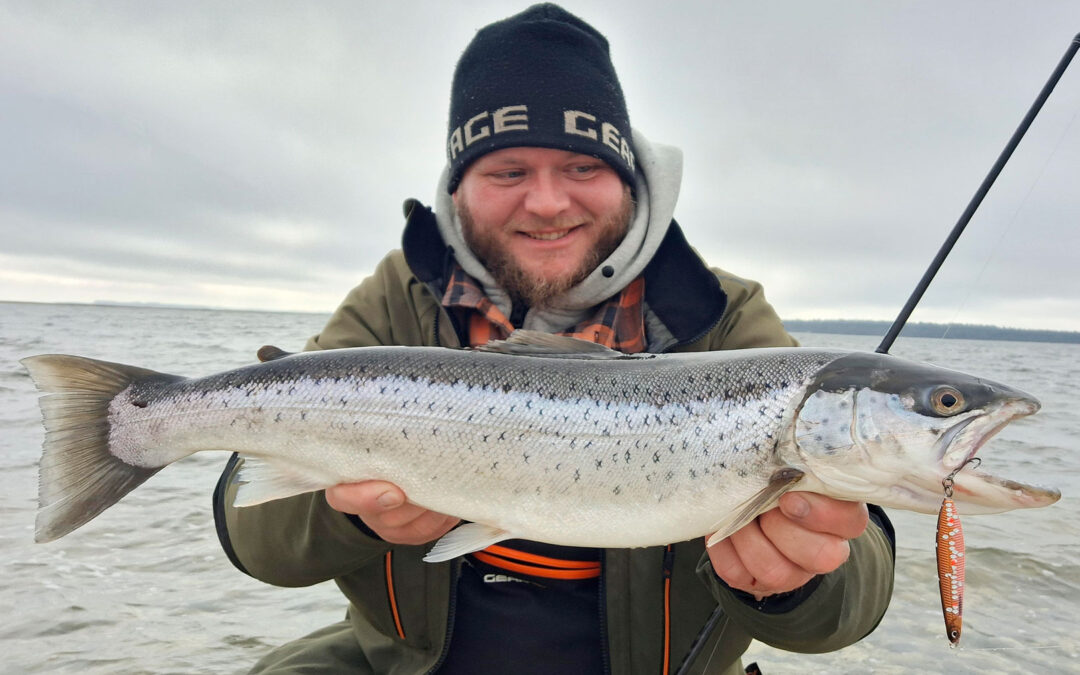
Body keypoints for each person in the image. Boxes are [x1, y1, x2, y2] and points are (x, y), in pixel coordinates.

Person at [214, 4, 895, 674]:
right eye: (508, 172)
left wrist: (800, 581)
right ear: (458, 191)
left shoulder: (722, 316)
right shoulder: (398, 297)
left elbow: (853, 596)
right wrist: (355, 518)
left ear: (629, 180)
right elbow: (258, 540)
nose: (546, 202)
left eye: (581, 167)